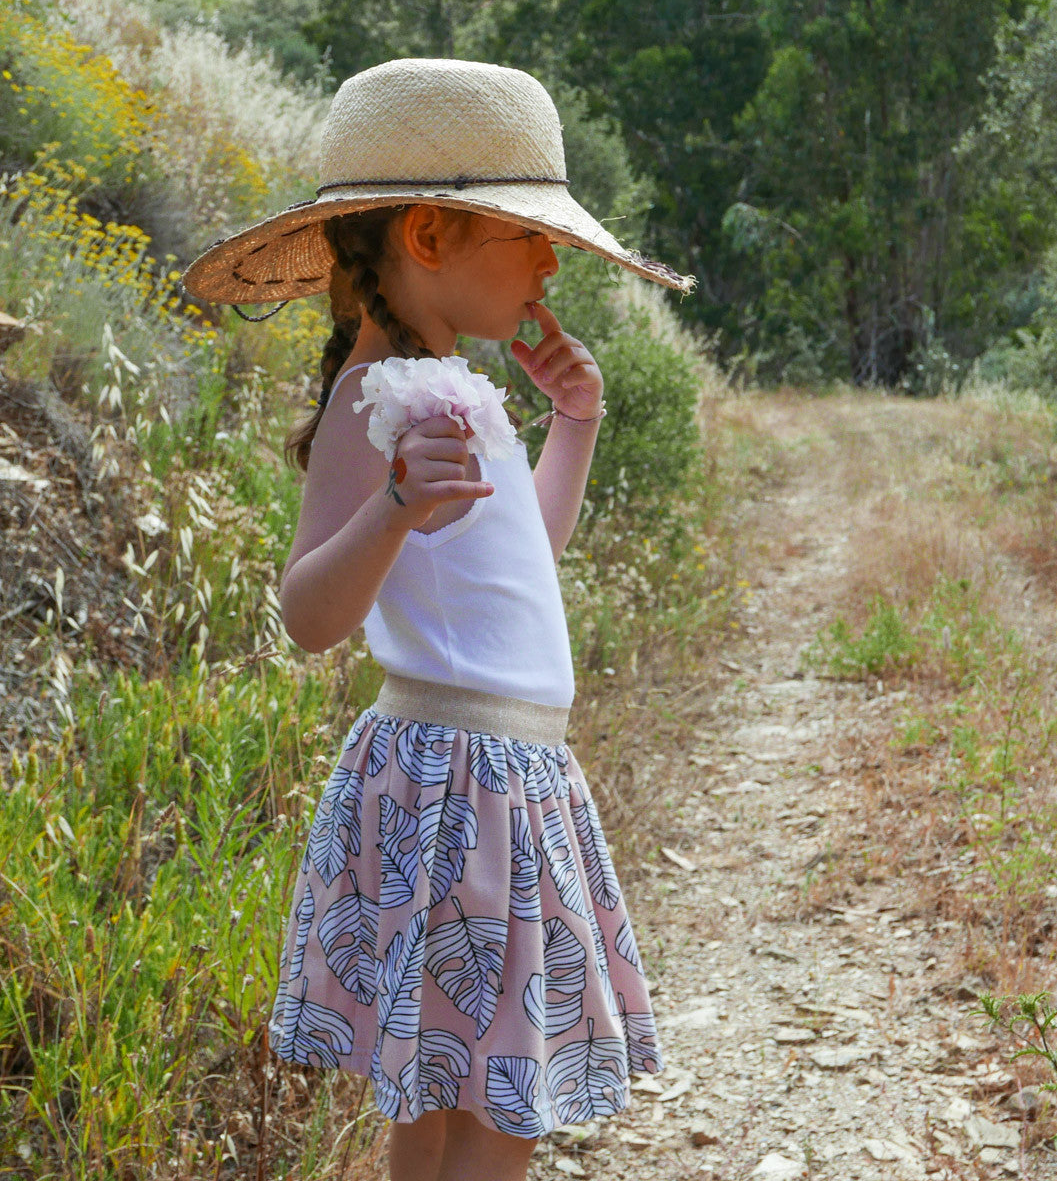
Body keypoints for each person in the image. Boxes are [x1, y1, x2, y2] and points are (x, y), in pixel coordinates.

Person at [182, 58, 693, 1181]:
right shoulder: (373, 400)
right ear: (425, 237)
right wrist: (395, 507)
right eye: (525, 234)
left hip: (511, 774)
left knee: (451, 1088)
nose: (551, 260)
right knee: (498, 1099)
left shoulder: (456, 388)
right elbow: (310, 613)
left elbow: (518, 570)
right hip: (454, 780)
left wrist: (577, 423)